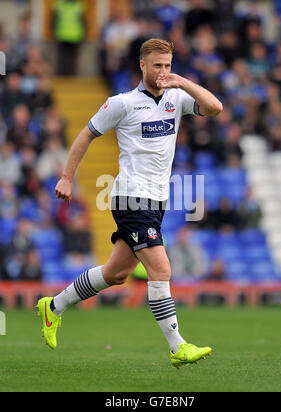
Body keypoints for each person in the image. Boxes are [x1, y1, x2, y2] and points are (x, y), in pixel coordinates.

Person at [36, 38, 223, 369]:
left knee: (116, 273)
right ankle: (177, 347)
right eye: (157, 66)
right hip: (130, 197)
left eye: (167, 65)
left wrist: (181, 81)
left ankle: (53, 307)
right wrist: (67, 177)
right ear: (142, 65)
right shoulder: (122, 104)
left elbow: (214, 108)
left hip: (157, 201)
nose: (163, 71)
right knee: (161, 269)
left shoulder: (177, 98)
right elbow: (86, 135)